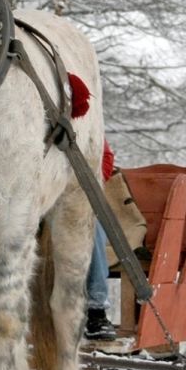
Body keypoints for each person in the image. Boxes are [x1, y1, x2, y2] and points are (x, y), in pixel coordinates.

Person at [84, 141, 117, 341]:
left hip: (76, 194)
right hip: (33, 196)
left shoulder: (87, 119)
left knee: (91, 223)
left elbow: (105, 157)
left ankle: (96, 310)